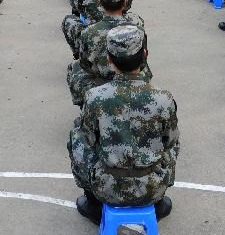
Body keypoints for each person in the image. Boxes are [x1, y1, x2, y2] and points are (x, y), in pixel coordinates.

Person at [69, 25, 178, 224]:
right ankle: (158, 202)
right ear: (145, 55)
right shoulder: (163, 98)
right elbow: (170, 141)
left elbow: (88, 140)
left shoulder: (95, 97)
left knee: (78, 136)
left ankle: (93, 203)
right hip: (153, 187)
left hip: (107, 188)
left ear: (109, 59)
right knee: (172, 142)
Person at [67, 0, 149, 106]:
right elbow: (142, 60)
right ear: (125, 2)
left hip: (102, 80)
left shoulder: (89, 32)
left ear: (100, 3)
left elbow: (85, 64)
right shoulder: (137, 25)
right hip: (133, 75)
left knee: (75, 68)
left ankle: (86, 106)